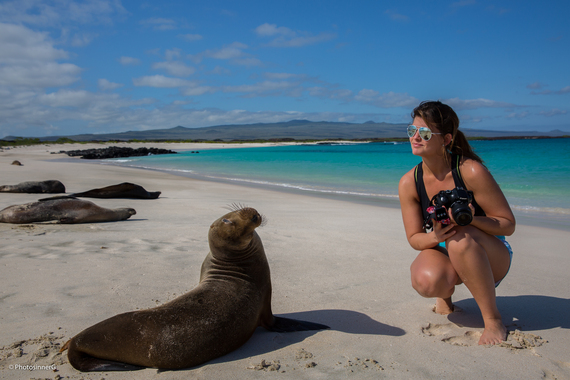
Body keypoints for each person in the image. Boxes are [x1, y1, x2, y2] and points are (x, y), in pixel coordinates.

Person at [398, 100, 516, 345]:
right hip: (444, 247)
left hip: (490, 254)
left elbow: (507, 225)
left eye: (425, 133)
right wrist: (435, 236)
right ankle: (445, 296)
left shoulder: (470, 171)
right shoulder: (409, 182)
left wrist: (472, 220)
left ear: (446, 139)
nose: (416, 137)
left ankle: (493, 320)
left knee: (460, 238)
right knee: (426, 281)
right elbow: (414, 238)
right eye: (412, 131)